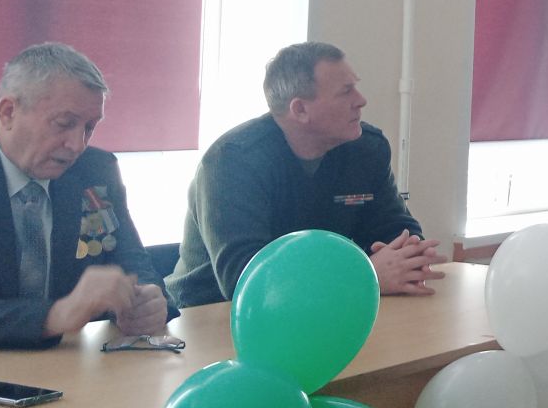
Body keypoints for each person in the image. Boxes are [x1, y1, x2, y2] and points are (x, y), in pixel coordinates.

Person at [167, 42, 444, 308]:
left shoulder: (367, 149)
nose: (361, 101)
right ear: (300, 109)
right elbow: (246, 281)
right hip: (213, 315)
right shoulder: (232, 162)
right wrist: (364, 275)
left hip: (330, 307)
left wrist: (410, 254)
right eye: (346, 92)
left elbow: (398, 229)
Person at [0, 44, 169, 349]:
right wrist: (54, 316)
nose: (77, 144)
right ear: (8, 112)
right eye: (64, 124)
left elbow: (131, 261)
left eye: (89, 127)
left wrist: (146, 301)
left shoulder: (96, 170)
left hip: (69, 364)